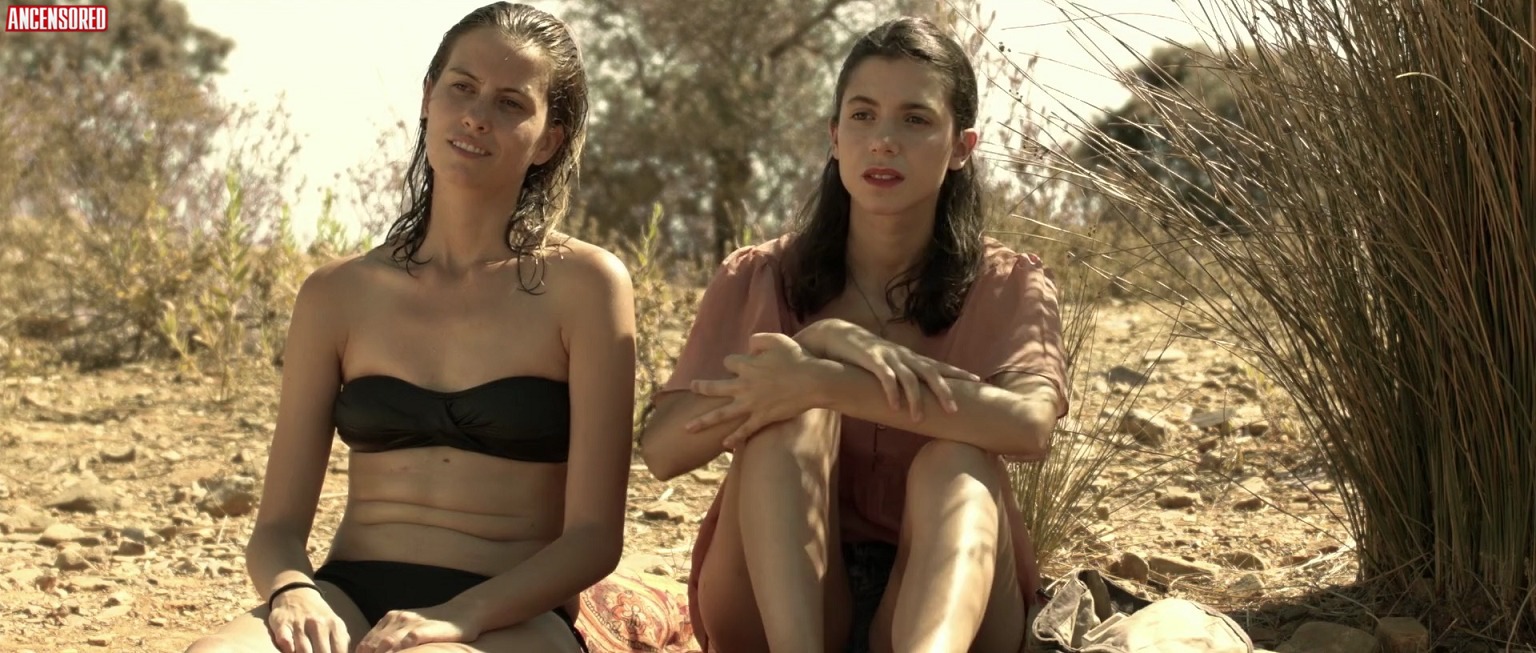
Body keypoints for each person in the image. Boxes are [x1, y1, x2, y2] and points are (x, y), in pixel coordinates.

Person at [183, 3, 635, 652]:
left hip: (508, 614)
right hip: (348, 597)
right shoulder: (337, 293)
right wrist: (294, 590)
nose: (476, 115)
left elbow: (594, 538)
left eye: (511, 103)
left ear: (548, 140)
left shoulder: (587, 286)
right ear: (428, 98)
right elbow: (277, 529)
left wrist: (461, 616)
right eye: (462, 88)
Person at [637, 16, 1070, 653]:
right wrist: (815, 346)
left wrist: (823, 383)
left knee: (957, 462)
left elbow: (1029, 427)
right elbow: (663, 452)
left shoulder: (1009, 284)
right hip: (776, 605)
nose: (884, 141)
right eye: (863, 116)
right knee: (785, 424)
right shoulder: (760, 276)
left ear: (961, 147)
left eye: (915, 119)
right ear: (835, 137)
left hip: (947, 598)